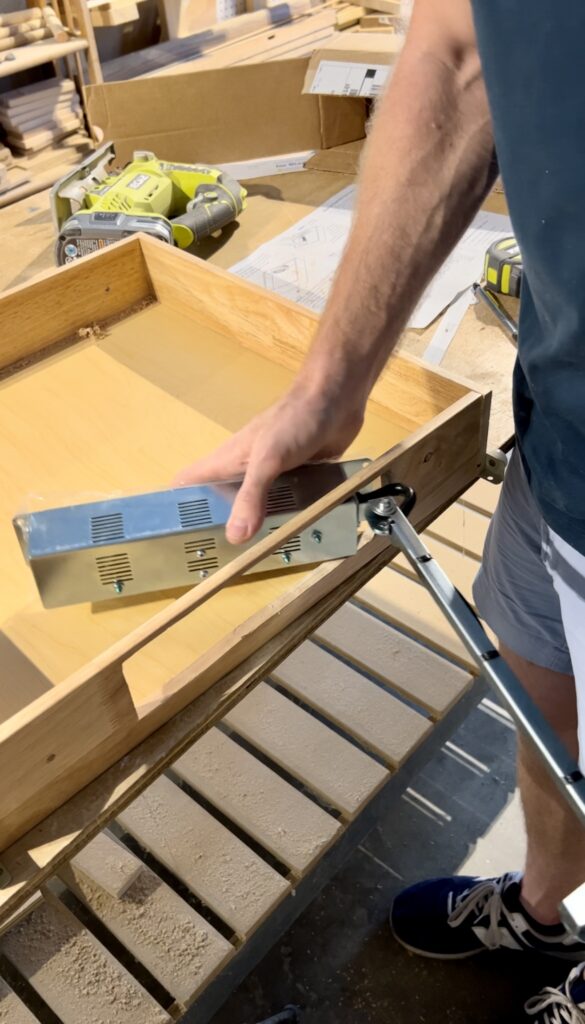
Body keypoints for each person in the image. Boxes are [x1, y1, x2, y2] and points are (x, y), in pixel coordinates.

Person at [175, 1, 585, 1019]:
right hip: (560, 426)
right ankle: (540, 908)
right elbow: (459, 56)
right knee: (544, 696)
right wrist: (328, 389)